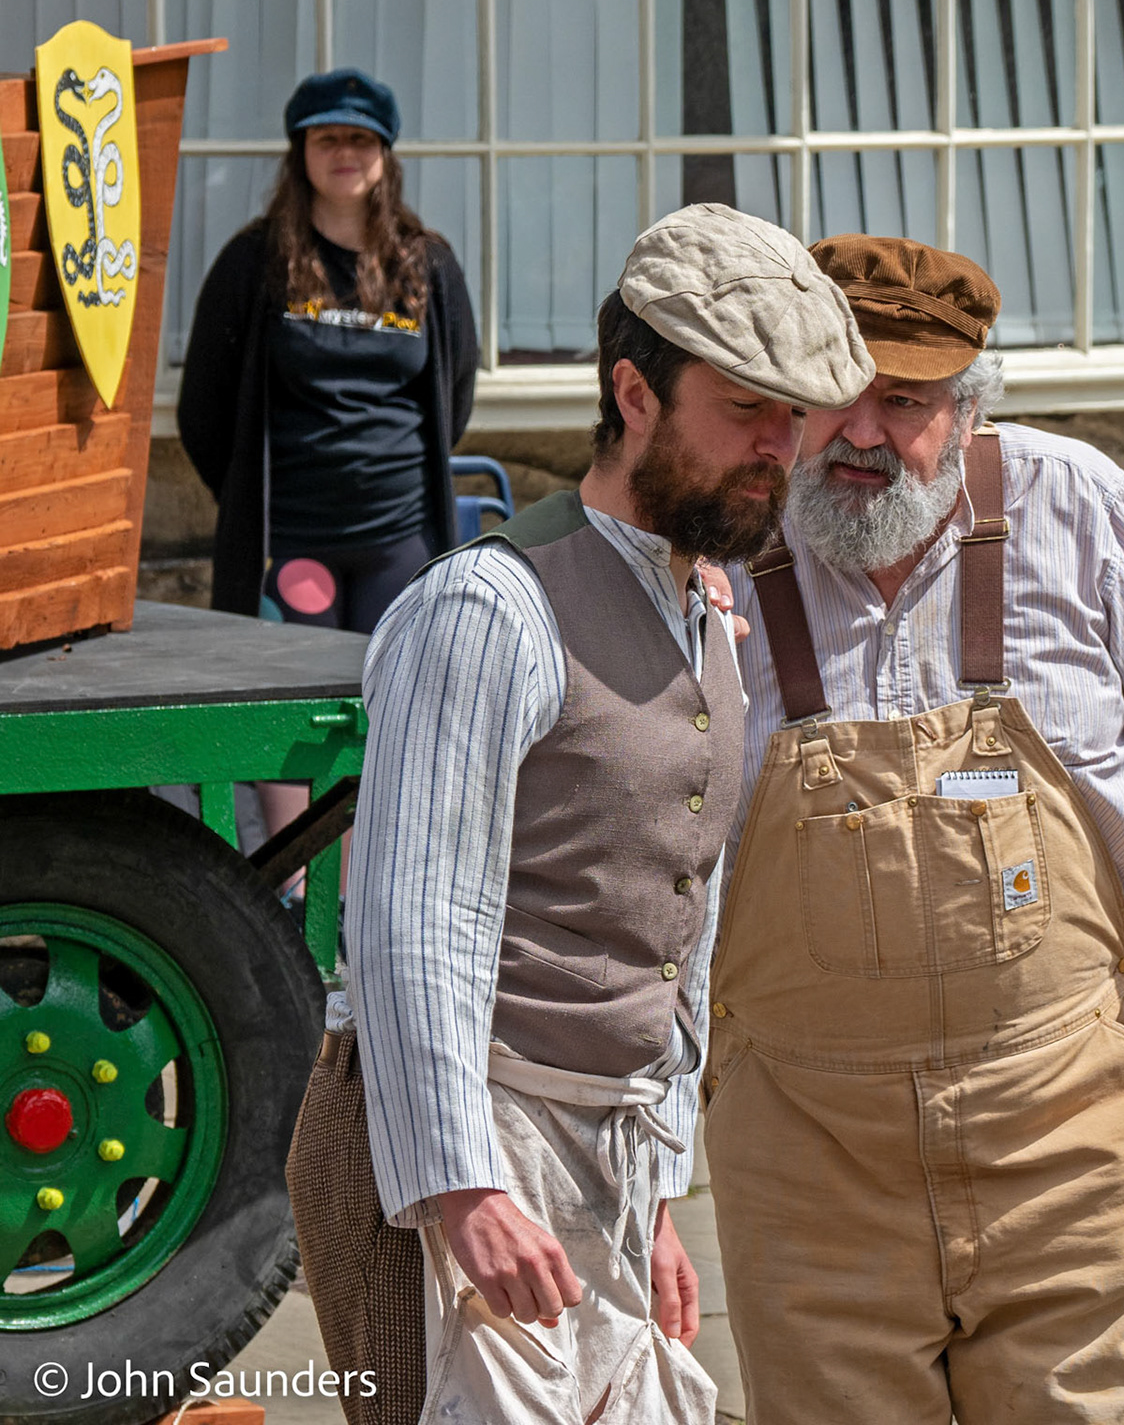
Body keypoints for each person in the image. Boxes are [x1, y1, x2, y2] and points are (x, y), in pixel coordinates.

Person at [284, 203, 874, 1425]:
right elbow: (412, 920)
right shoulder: (488, 610)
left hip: (605, 1155)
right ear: (634, 393)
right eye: (745, 409)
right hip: (471, 1131)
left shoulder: (705, 602)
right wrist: (459, 1188)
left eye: (794, 416)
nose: (782, 447)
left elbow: (671, 927)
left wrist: (655, 1189)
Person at [705, 235, 1124, 1423]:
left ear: (968, 411)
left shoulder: (1079, 504)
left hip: (1062, 1124)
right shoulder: (711, 548)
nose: (863, 433)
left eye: (903, 403)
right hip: (808, 1149)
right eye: (837, 395)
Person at [177, 67, 480, 858]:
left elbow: (453, 392)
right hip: (293, 546)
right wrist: (250, 502)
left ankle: (365, 882)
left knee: (395, 704)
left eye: (358, 137)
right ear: (300, 152)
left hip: (398, 542)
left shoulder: (427, 263)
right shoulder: (255, 263)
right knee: (287, 713)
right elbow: (204, 408)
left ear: (384, 153)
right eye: (325, 138)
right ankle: (297, 877)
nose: (343, 151)